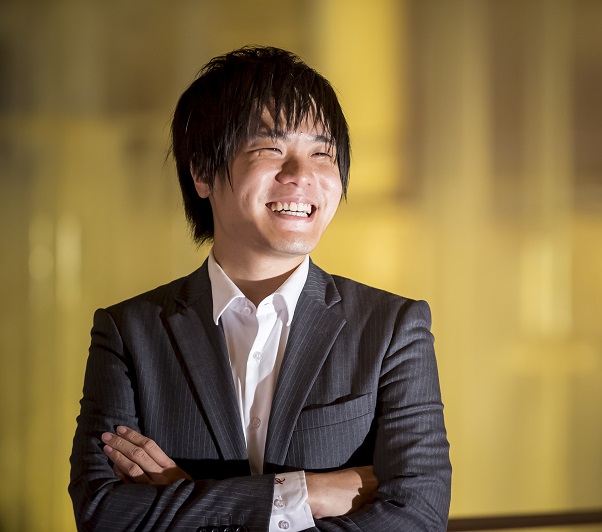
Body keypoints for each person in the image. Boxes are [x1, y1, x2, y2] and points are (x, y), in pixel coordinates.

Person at [69, 46, 451, 531]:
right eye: (270, 149)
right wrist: (305, 492)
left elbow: (416, 519)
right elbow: (104, 515)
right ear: (203, 173)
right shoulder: (130, 333)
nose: (301, 175)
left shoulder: (394, 329)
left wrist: (186, 498)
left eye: (322, 153)